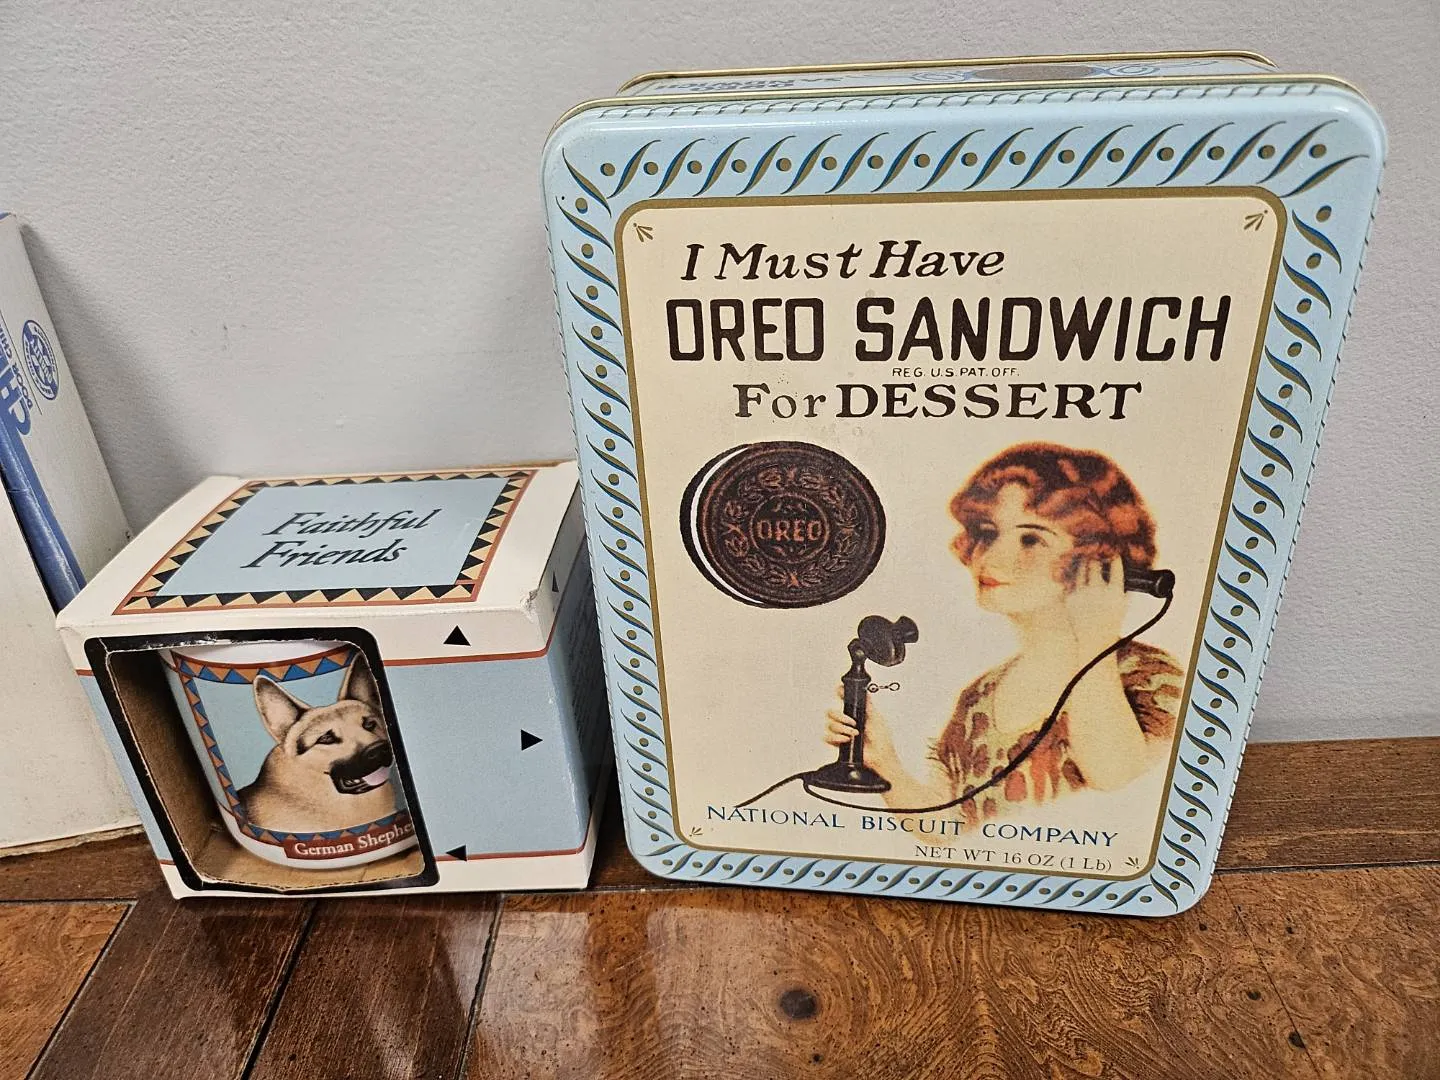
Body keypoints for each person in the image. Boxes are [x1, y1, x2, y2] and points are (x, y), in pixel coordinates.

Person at [825, 442, 1183, 825]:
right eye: (988, 532)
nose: (991, 557)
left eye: (1031, 539)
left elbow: (1114, 777)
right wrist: (883, 762)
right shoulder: (979, 697)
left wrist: (1096, 637)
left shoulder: (1151, 676)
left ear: (1098, 560)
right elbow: (950, 827)